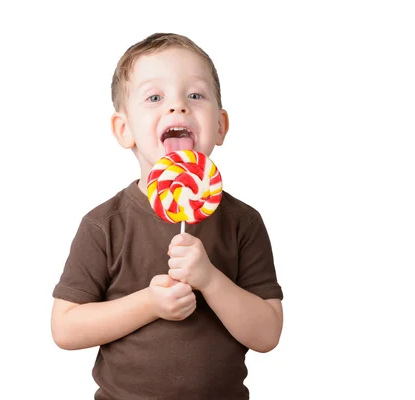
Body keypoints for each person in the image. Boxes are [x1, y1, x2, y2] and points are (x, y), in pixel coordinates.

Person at [51, 32, 284, 400]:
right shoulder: (104, 225)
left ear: (220, 125)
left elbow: (268, 333)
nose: (177, 106)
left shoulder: (243, 222)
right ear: (124, 129)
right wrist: (149, 303)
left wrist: (209, 279)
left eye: (195, 95)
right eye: (155, 97)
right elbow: (65, 328)